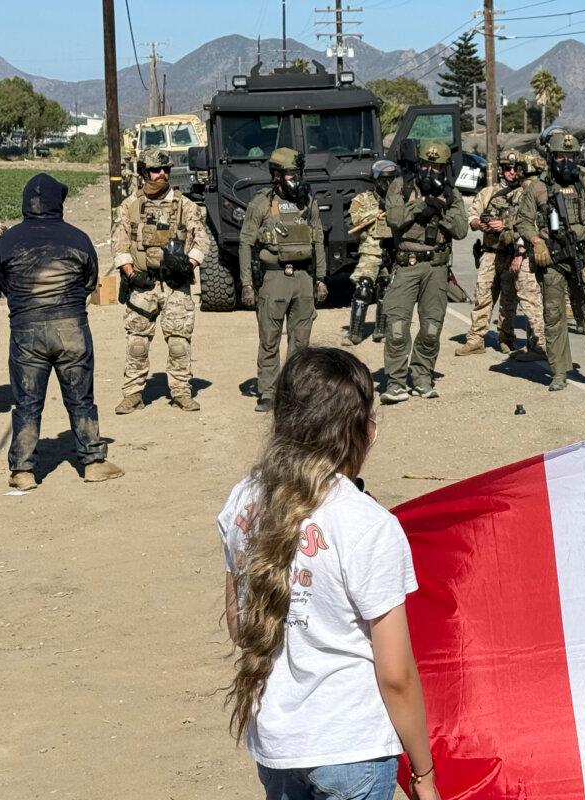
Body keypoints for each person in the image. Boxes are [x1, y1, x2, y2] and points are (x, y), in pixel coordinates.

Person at [218, 347, 440, 800]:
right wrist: (424, 770)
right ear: (363, 431)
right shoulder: (368, 525)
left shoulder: (243, 500)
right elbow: (396, 675)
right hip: (350, 745)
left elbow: (241, 627)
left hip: (278, 745)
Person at [0, 174, 124, 490]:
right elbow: (89, 281)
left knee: (26, 402)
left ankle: (23, 471)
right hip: (72, 329)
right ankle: (93, 462)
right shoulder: (78, 239)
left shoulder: (7, 242)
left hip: (26, 332)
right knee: (81, 399)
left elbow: (1, 285)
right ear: (58, 203)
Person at [516, 129, 585, 392]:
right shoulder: (538, 187)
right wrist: (536, 241)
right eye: (560, 156)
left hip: (584, 257)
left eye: (571, 155)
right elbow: (523, 220)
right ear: (550, 156)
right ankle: (558, 372)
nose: (566, 161)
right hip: (553, 260)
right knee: (554, 317)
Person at [111, 148, 210, 413]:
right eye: (156, 170)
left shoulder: (184, 205)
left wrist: (187, 265)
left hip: (176, 285)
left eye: (166, 170)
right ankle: (132, 393)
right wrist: (131, 273)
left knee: (179, 342)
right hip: (143, 284)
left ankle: (180, 391)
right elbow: (119, 244)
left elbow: (202, 241)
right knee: (137, 343)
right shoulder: (130, 206)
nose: (162, 174)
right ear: (144, 172)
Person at [239, 147, 328, 412]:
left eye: (297, 173)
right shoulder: (261, 204)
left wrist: (320, 278)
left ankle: (294, 391)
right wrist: (246, 284)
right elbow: (245, 243)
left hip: (303, 278)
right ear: (276, 175)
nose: (295, 179)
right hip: (274, 278)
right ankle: (268, 391)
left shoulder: (307, 202)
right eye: (290, 173)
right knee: (269, 338)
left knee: (301, 342)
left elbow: (319, 239)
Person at [380, 140, 468, 403]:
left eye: (437, 166)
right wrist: (421, 205)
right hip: (406, 265)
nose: (431, 171)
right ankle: (395, 382)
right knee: (397, 327)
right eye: (426, 165)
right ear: (419, 164)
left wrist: (440, 211)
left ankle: (422, 377)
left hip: (436, 268)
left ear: (444, 169)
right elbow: (394, 219)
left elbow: (462, 230)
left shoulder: (451, 195)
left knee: (431, 328)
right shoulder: (401, 186)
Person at [455, 149, 546, 360]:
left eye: (515, 169)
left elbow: (529, 222)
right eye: (507, 169)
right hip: (490, 251)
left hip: (513, 252)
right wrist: (481, 224)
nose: (511, 173)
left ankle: (506, 338)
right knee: (483, 295)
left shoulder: (526, 192)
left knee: (509, 301)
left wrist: (504, 225)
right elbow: (473, 216)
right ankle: (475, 339)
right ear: (501, 170)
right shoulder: (489, 193)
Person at [344, 160, 399, 347]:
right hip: (371, 250)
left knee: (386, 289)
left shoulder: (399, 199)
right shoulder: (362, 199)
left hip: (391, 250)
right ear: (376, 180)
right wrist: (378, 211)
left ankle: (381, 330)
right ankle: (355, 333)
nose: (389, 183)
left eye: (392, 179)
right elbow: (355, 219)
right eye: (385, 179)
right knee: (363, 288)